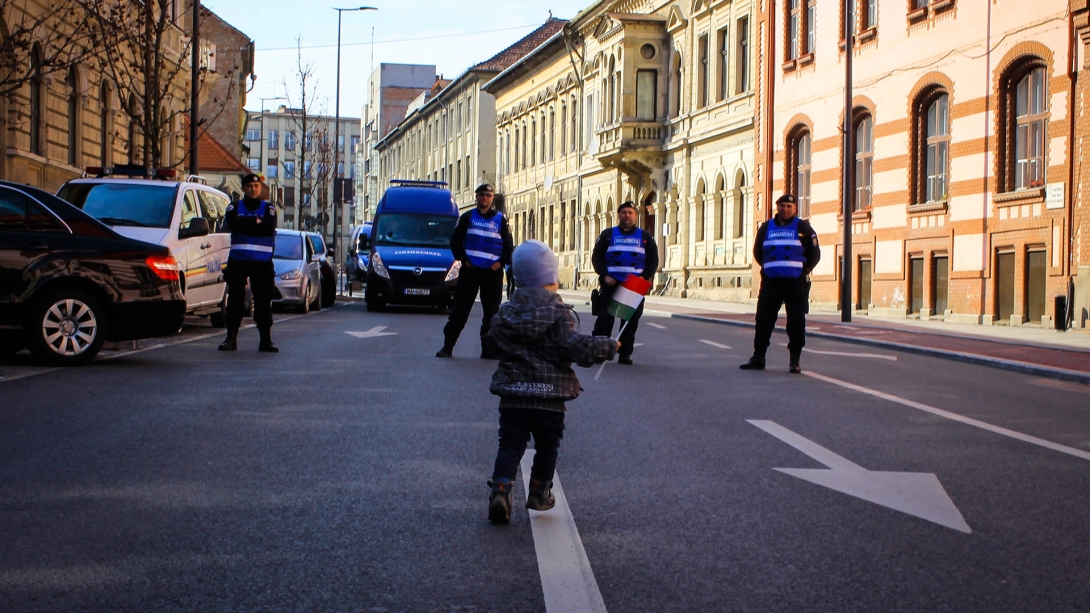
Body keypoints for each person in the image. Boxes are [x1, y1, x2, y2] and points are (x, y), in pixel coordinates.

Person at [483, 240, 619, 524]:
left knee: (509, 444)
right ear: (551, 279)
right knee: (547, 445)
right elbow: (573, 347)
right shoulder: (559, 315)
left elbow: (492, 342)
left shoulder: (506, 313)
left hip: (514, 396)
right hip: (550, 398)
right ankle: (539, 492)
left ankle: (501, 488)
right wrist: (606, 346)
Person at [740, 193, 821, 373]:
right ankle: (758, 357)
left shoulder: (803, 228)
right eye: (782, 206)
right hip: (771, 282)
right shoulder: (766, 227)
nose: (785, 209)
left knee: (796, 321)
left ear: (794, 209)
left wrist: (802, 271)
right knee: (763, 319)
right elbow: (757, 252)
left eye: (789, 207)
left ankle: (794, 361)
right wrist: (771, 267)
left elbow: (815, 255)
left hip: (795, 283)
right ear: (777, 207)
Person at [436, 183, 513, 359]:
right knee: (460, 310)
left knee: (491, 313)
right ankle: (448, 346)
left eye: (488, 195)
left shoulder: (500, 220)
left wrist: (500, 263)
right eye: (482, 195)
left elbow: (508, 246)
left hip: (492, 274)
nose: (485, 198)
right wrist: (464, 260)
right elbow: (455, 242)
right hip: (471, 272)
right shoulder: (467, 217)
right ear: (477, 197)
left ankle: (488, 350)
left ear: (492, 198)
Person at [591, 201, 659, 365]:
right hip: (610, 285)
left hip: (633, 287)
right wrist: (605, 275)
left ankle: (625, 354)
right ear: (619, 215)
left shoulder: (645, 237)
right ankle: (600, 352)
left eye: (630, 212)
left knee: (628, 323)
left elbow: (653, 259)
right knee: (604, 321)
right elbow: (597, 257)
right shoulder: (607, 235)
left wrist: (645, 277)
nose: (626, 215)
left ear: (635, 216)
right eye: (623, 212)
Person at [219, 173, 279, 353]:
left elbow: (267, 228)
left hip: (262, 262)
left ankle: (266, 340)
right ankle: (231, 338)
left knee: (263, 301)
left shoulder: (269, 208)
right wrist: (255, 221)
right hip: (238, 261)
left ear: (260, 188)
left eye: (256, 186)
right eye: (250, 186)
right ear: (244, 188)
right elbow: (233, 224)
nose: (253, 189)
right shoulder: (234, 207)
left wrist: (246, 223)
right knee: (235, 301)